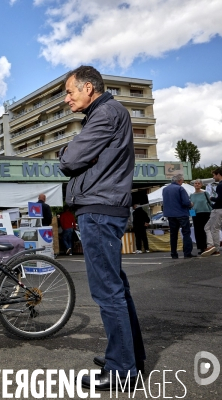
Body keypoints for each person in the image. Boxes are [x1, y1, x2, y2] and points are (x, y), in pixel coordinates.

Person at [59, 65, 145, 391]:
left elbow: (68, 160)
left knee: (107, 291)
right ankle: (128, 357)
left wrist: (70, 151)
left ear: (89, 88)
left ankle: (122, 369)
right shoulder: (108, 113)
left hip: (98, 211)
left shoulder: (105, 114)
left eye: (70, 92)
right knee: (116, 289)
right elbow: (79, 157)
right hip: (103, 208)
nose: (67, 99)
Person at [162, 174, 193, 259]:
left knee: (173, 234)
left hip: (170, 215)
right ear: (179, 181)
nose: (182, 183)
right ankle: (187, 253)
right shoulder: (180, 188)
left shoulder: (165, 189)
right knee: (186, 233)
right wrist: (191, 204)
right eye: (182, 181)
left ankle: (174, 253)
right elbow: (186, 202)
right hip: (181, 214)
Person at [201, 168, 222, 257]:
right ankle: (211, 246)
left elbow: (220, 199)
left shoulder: (220, 185)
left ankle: (215, 249)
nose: (213, 177)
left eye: (214, 175)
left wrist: (211, 198)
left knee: (214, 229)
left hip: (218, 209)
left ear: (218, 174)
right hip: (218, 209)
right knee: (207, 227)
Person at [190, 179, 212, 255]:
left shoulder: (205, 193)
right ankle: (201, 247)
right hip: (196, 214)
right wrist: (192, 215)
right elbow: (191, 206)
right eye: (195, 183)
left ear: (201, 185)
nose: (197, 185)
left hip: (206, 213)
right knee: (198, 231)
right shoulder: (191, 195)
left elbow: (210, 203)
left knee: (206, 230)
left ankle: (209, 246)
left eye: (198, 183)